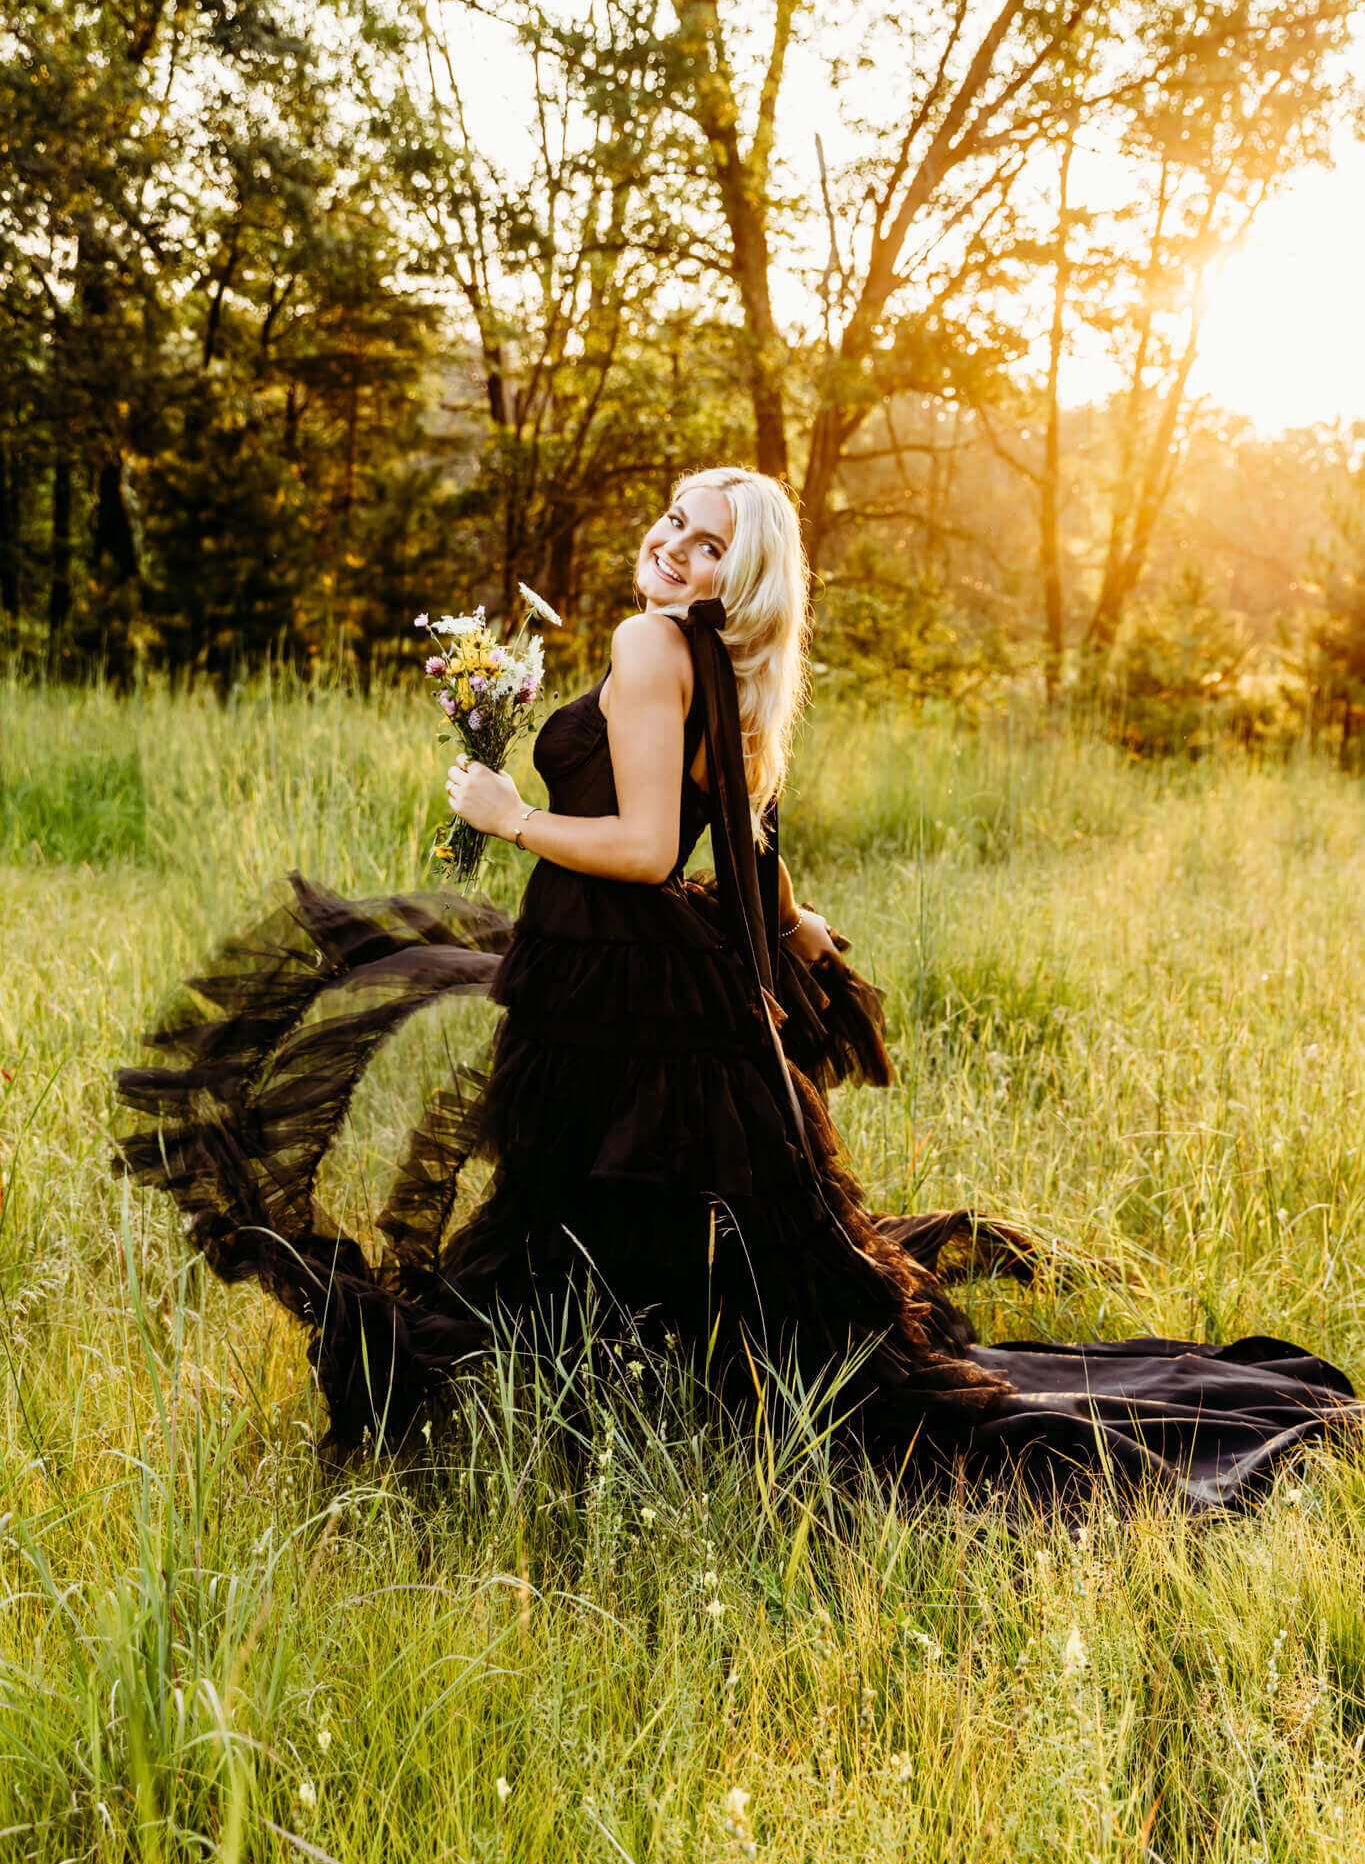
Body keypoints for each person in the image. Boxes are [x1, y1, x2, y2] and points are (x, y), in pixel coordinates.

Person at [116, 467, 1359, 1514]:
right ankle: (583, 1398)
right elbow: (746, 845)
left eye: (710, 545)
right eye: (674, 522)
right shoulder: (730, 667)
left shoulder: (650, 643)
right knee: (599, 1231)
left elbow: (654, 849)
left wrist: (509, 811)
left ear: (740, 576)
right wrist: (807, 936)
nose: (674, 547)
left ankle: (493, 1409)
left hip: (616, 984)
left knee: (552, 1218)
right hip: (633, 982)